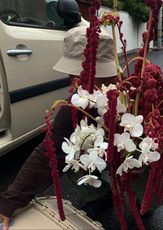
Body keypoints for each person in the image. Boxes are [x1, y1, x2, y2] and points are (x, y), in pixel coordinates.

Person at [0, 24, 117, 230]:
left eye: (80, 74)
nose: (75, 81)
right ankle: (98, 195)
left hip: (134, 163)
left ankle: (141, 195)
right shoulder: (77, 104)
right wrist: (9, 202)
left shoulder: (138, 97)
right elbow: (48, 152)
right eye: (72, 76)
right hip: (100, 155)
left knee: (147, 192)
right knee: (68, 151)